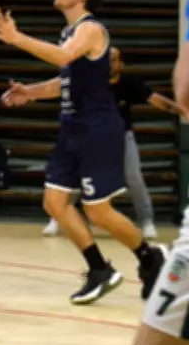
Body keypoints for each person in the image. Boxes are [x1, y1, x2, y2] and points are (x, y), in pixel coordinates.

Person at [0, 0, 167, 305]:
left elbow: (63, 57)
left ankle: (150, 257)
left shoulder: (91, 29)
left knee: (98, 212)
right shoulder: (69, 33)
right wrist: (31, 92)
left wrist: (16, 38)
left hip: (98, 129)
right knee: (54, 202)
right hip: (72, 128)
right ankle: (99, 269)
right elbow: (65, 80)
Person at [104, 0, 189, 345]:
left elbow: (188, 95)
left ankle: (141, 247)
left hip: (111, 138)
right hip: (84, 141)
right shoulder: (82, 70)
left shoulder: (122, 79)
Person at [43, 47, 179, 239]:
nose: (108, 63)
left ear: (121, 64)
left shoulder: (129, 84)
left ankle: (146, 221)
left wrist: (183, 109)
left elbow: (158, 101)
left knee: (133, 176)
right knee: (73, 178)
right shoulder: (86, 81)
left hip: (121, 136)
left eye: (113, 59)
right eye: (105, 59)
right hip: (88, 136)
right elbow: (57, 90)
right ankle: (57, 218)